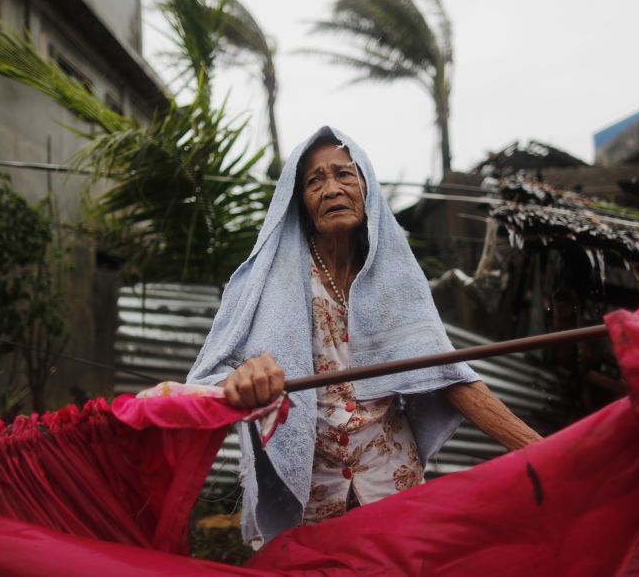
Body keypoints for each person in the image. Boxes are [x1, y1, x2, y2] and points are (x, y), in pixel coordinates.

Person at [187, 126, 541, 545]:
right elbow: (205, 379)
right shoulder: (261, 285)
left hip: (392, 479)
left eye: (344, 174)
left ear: (366, 187)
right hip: (308, 497)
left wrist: (541, 451)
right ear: (300, 201)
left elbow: (445, 374)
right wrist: (245, 375)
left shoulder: (396, 279)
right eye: (314, 181)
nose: (331, 188)